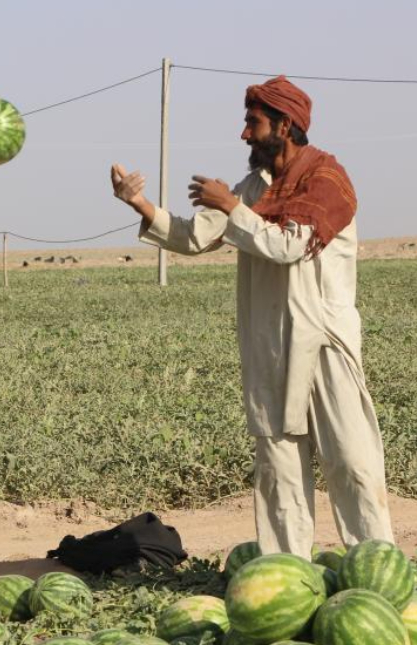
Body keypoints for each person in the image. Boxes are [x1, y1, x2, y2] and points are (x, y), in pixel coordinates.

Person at [109, 76, 394, 556]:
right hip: (271, 344)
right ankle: (287, 577)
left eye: (252, 123)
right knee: (278, 469)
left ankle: (378, 566)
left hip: (324, 341)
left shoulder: (327, 180)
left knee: (352, 460)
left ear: (285, 125)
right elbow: (194, 237)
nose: (244, 134)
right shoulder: (253, 187)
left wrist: (233, 207)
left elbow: (289, 246)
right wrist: (138, 203)